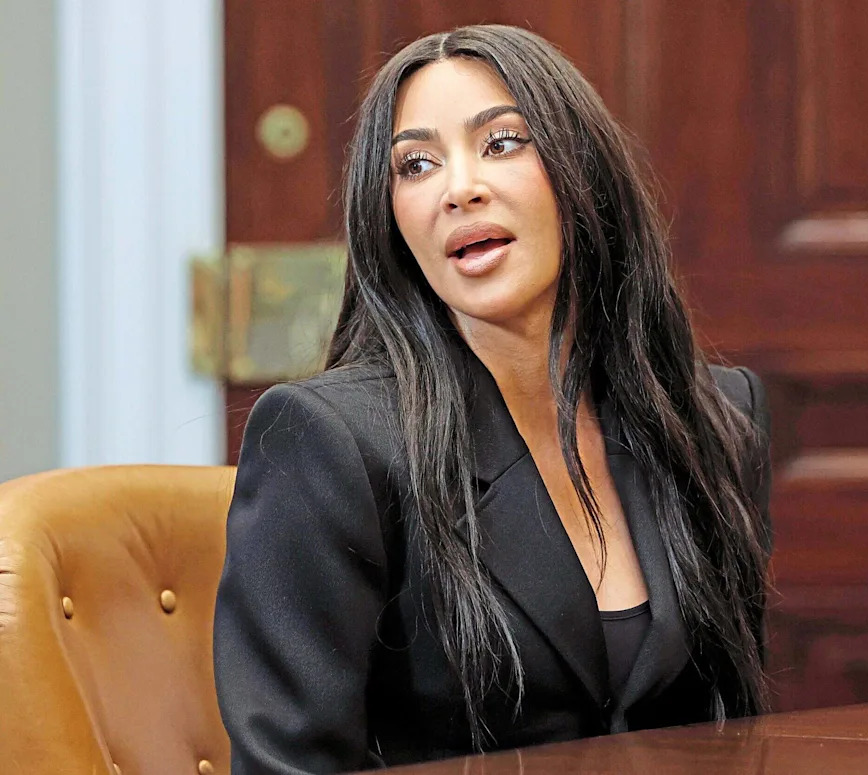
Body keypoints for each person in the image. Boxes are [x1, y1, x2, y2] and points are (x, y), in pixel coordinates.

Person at [213, 24, 773, 774]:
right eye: (416, 165)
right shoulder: (328, 440)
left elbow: (734, 737)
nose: (459, 188)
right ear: (390, 219)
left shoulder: (714, 421)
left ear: (584, 172)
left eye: (502, 143)